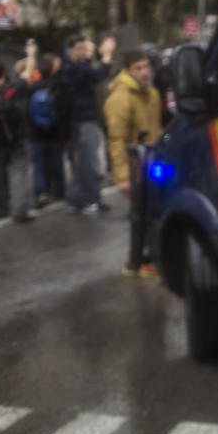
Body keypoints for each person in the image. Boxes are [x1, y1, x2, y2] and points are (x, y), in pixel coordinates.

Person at [103, 49, 163, 277]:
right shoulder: (120, 98)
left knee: (149, 211)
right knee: (143, 213)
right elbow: (116, 139)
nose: (145, 72)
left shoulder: (153, 93)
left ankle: (138, 259)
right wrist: (122, 177)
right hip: (134, 164)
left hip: (153, 161)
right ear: (127, 71)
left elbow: (158, 130)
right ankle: (140, 260)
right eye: (138, 68)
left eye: (146, 66)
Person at [0, 43, 37, 223]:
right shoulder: (14, 88)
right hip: (17, 137)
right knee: (19, 173)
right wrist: (31, 54)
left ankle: (1, 209)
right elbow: (28, 73)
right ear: (4, 73)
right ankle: (20, 210)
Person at [61, 34, 116, 215]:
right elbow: (99, 74)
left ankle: (76, 201)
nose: (84, 53)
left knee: (80, 163)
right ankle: (92, 201)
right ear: (70, 50)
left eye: (85, 49)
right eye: (80, 49)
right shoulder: (73, 69)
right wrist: (106, 55)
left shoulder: (72, 67)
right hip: (84, 122)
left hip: (76, 123)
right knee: (90, 163)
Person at [27, 53, 65, 207]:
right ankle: (59, 192)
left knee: (39, 164)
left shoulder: (31, 87)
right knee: (56, 163)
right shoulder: (57, 85)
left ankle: (42, 192)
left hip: (36, 132)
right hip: (54, 131)